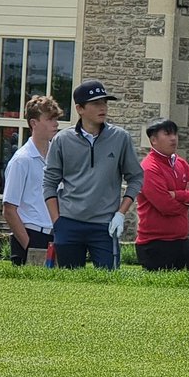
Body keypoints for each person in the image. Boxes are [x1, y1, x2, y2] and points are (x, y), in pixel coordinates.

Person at [42, 79, 143, 268]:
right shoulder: (62, 140)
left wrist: (121, 213)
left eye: (104, 102)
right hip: (69, 224)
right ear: (79, 108)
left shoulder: (120, 138)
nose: (103, 107)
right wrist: (57, 221)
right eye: (96, 103)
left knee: (109, 281)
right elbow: (49, 182)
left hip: (105, 225)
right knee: (69, 282)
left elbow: (136, 177)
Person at [135, 117, 189, 271]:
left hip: (181, 241)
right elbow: (166, 206)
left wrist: (178, 195)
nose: (173, 138)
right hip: (156, 244)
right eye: (167, 134)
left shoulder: (181, 163)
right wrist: (188, 198)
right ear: (153, 140)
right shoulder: (149, 168)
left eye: (175, 134)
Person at [2, 95, 63, 265]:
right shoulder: (21, 160)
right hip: (31, 235)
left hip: (55, 235)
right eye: (50, 119)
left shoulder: (57, 158)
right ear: (33, 123)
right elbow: (9, 209)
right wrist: (29, 246)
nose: (56, 124)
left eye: (56, 119)